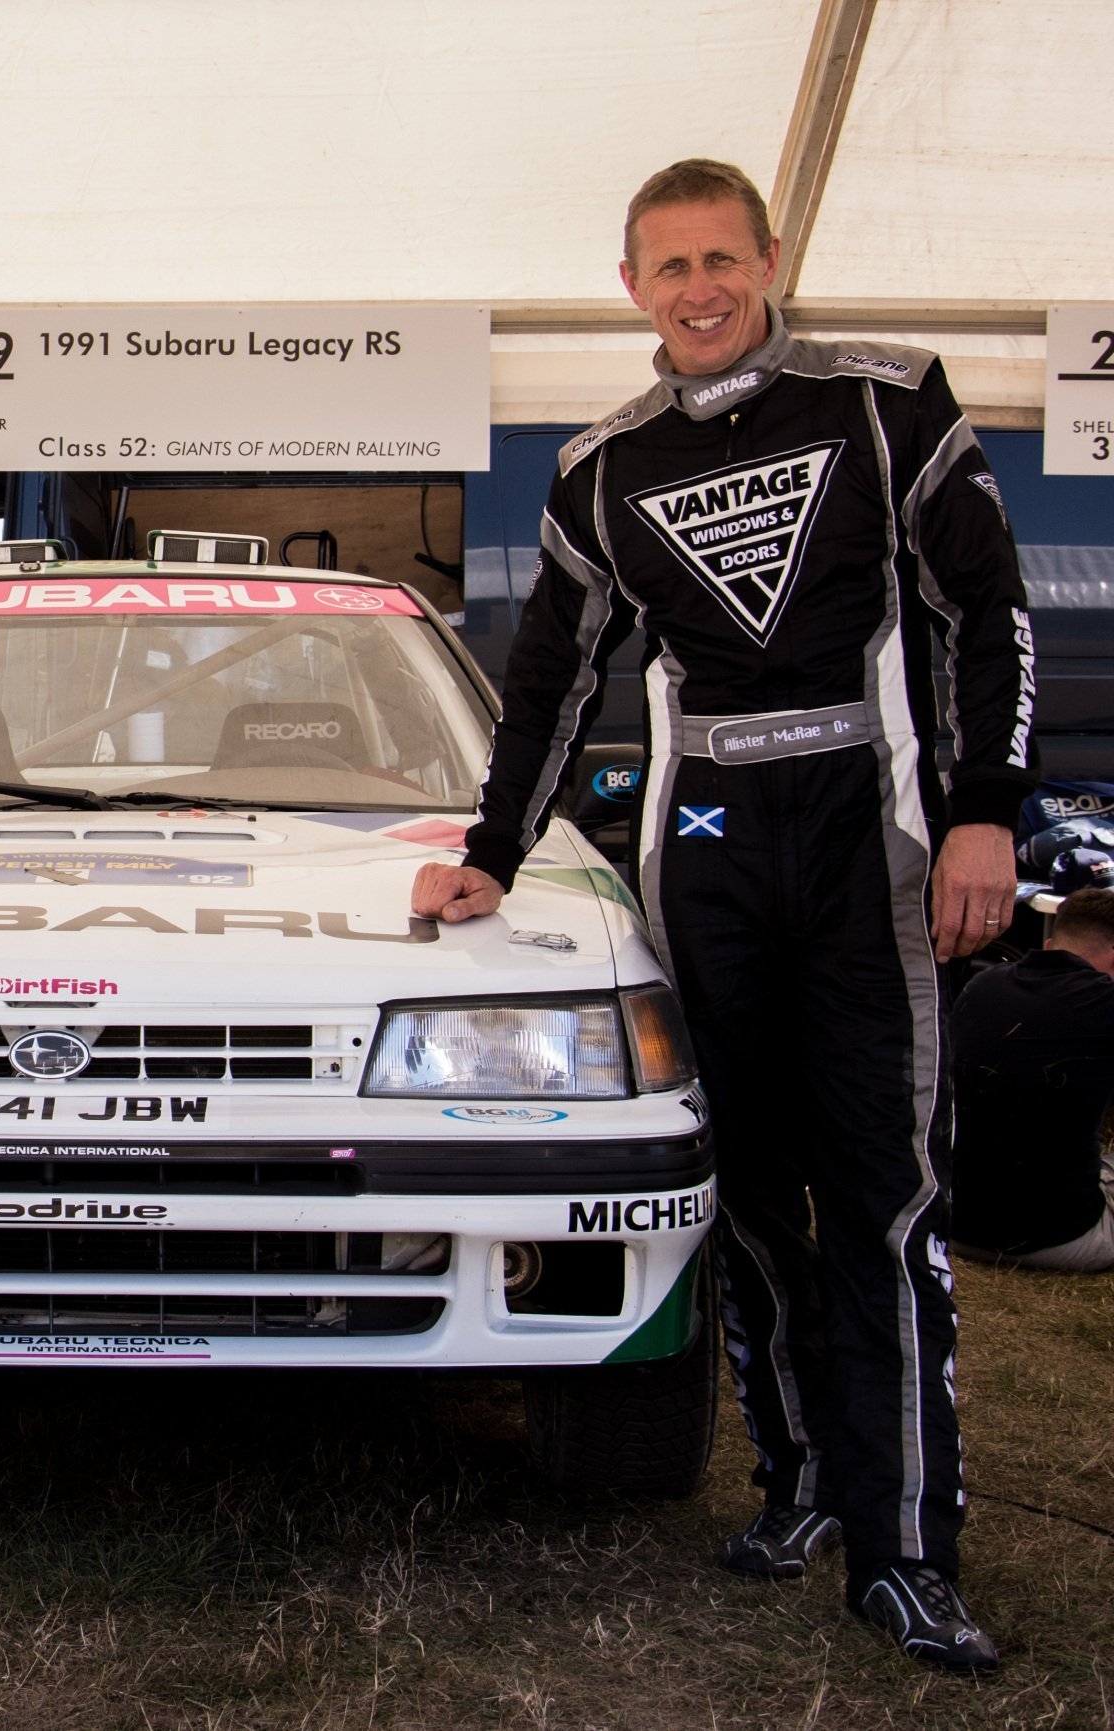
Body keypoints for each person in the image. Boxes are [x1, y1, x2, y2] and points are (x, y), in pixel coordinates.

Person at [413, 158, 1037, 1671]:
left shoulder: (886, 401)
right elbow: (555, 677)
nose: (700, 288)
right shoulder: (599, 469)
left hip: (868, 831)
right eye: (669, 266)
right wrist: (496, 847)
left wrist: (982, 812)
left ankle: (906, 1548)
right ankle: (804, 1482)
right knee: (747, 1190)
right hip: (702, 845)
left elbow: (983, 604)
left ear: (770, 257)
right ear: (630, 286)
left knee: (884, 1194)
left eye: (722, 258)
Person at [950, 887, 1114, 1271]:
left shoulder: (982, 985)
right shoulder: (1106, 1003)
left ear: (1052, 942)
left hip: (957, 1221)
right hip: (1058, 1239)